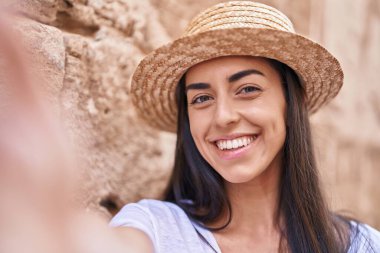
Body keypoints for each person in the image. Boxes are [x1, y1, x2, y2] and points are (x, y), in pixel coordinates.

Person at [110, 1, 380, 252]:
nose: (223, 117)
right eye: (202, 98)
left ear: (291, 102)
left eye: (247, 89)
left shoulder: (362, 245)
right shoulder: (154, 229)